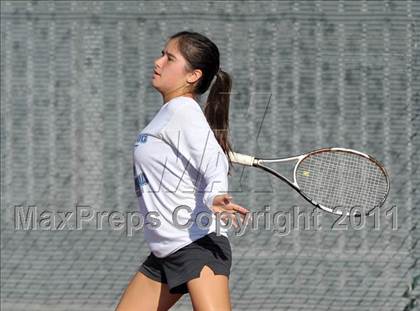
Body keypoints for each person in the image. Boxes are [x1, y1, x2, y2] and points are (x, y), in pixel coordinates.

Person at [115, 31, 249, 311]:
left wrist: (214, 195)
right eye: (162, 53)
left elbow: (214, 160)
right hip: (167, 251)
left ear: (193, 75)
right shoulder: (170, 114)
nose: (158, 61)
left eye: (169, 57)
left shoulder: (182, 111)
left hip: (197, 246)